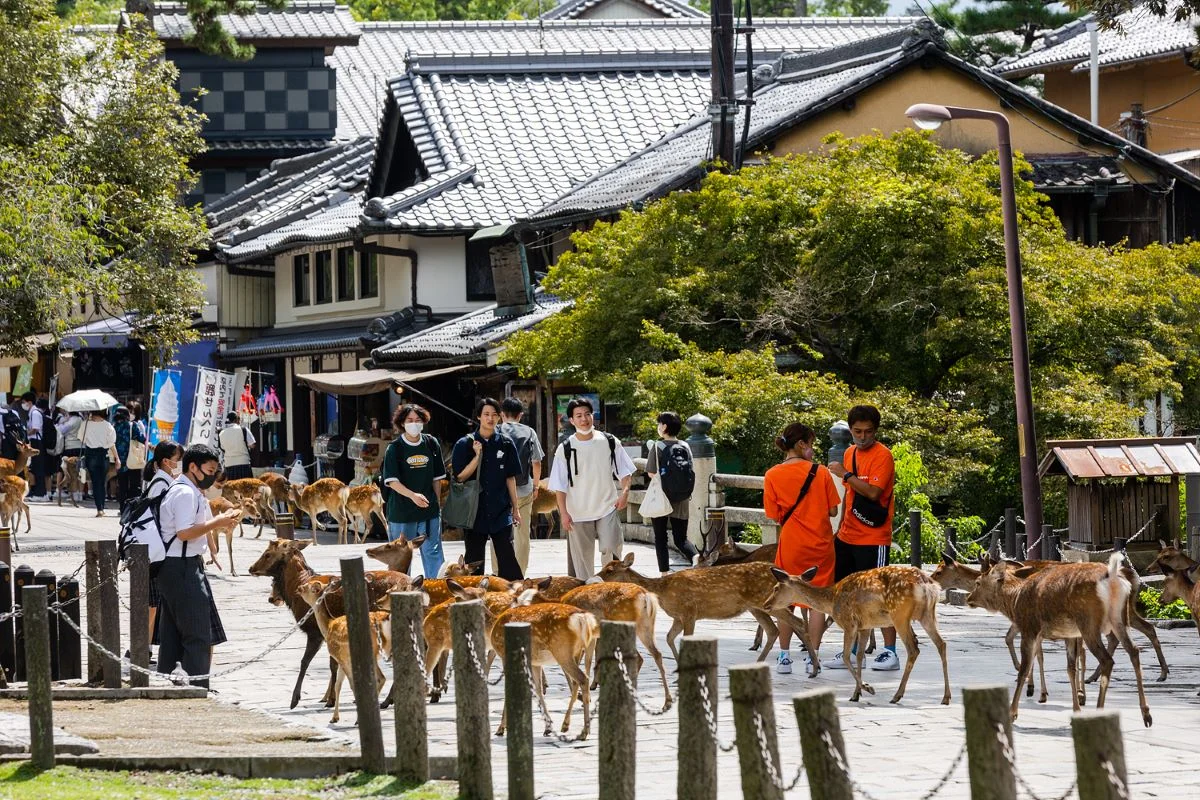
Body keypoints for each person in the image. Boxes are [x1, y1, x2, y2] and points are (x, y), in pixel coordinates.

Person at [155, 444, 241, 688]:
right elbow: (184, 533)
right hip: (181, 567)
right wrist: (218, 522)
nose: (213, 476)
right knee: (198, 632)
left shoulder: (188, 490)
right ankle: (196, 686)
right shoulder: (185, 493)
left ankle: (171, 683)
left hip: (178, 565)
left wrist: (213, 547)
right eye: (210, 470)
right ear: (193, 467)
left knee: (172, 632)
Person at [763, 423, 841, 674]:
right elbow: (833, 510)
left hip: (792, 544)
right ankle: (813, 656)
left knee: (787, 598)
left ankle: (784, 656)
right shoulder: (821, 473)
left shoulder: (772, 474)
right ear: (801, 444)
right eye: (811, 444)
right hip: (820, 544)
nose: (813, 450)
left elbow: (773, 513)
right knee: (818, 601)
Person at [825, 404, 898, 672]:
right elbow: (850, 495)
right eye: (857, 431)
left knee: (878, 594)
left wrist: (844, 473)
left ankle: (890, 651)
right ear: (851, 430)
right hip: (848, 534)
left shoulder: (883, 456)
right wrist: (841, 526)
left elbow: (873, 493)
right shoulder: (849, 452)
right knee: (846, 595)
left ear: (876, 431)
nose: (863, 436)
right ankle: (853, 650)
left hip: (873, 536)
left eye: (868, 432)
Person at [548, 397, 635, 580]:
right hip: (577, 511)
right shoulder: (565, 448)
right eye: (578, 415)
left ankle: (611, 588)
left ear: (593, 415)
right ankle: (587, 593)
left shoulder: (609, 441)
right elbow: (559, 485)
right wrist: (563, 513)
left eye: (587, 414)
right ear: (571, 420)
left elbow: (625, 472)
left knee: (611, 548)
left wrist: (625, 493)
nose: (584, 419)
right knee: (582, 561)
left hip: (607, 506)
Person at [450, 398, 524, 581]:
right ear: (478, 416)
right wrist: (477, 457)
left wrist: (516, 508)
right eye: (486, 414)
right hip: (474, 512)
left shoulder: (506, 444)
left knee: (507, 558)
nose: (490, 419)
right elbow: (460, 477)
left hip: (500, 510)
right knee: (474, 562)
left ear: (500, 417)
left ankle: (514, 596)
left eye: (494, 415)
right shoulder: (464, 444)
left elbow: (510, 477)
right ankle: (473, 601)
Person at [382, 403, 446, 579]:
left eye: (418, 420)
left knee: (433, 553)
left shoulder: (431, 443)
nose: (414, 423)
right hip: (402, 512)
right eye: (409, 420)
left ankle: (435, 591)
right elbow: (392, 482)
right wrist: (413, 496)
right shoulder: (394, 449)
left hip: (429, 511)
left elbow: (437, 478)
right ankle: (400, 594)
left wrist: (436, 504)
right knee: (401, 558)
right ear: (402, 423)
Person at [139, 440, 183, 661]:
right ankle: (141, 647)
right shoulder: (160, 484)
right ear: (166, 461)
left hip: (159, 549)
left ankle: (146, 646)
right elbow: (157, 519)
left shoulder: (165, 481)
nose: (180, 463)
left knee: (157, 603)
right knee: (152, 603)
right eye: (178, 460)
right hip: (155, 550)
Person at [645, 411, 698, 575]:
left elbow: (651, 472)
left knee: (660, 538)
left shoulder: (657, 446)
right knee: (680, 539)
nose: (658, 427)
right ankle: (696, 557)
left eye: (659, 423)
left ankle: (664, 573)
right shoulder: (685, 446)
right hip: (682, 497)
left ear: (664, 426)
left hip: (661, 497)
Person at [497, 397, 544, 575]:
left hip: (499, 491)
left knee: (498, 533)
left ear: (502, 415)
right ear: (521, 415)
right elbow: (537, 462)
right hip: (523, 489)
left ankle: (498, 572)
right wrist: (536, 486)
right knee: (522, 535)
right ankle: (520, 574)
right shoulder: (529, 432)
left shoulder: (495, 430)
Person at [79, 409, 117, 517]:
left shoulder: (86, 424)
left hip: (90, 454)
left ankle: (99, 508)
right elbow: (111, 443)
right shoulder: (108, 425)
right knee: (102, 481)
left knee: (95, 482)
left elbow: (82, 439)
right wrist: (117, 458)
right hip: (103, 455)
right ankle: (102, 507)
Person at [114, 404, 147, 513]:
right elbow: (142, 439)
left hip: (120, 461)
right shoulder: (132, 425)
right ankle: (133, 508)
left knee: (122, 485)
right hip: (133, 459)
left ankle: (122, 509)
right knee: (134, 485)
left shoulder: (114, 427)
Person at [20, 392, 47, 501]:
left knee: (38, 468)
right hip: (35, 441)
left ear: (29, 402)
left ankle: (41, 494)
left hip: (37, 442)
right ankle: (38, 492)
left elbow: (35, 428)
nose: (23, 404)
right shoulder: (33, 412)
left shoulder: (35, 413)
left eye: (24, 402)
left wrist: (25, 434)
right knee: (35, 468)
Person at [217, 412, 256, 480]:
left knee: (232, 489)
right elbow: (252, 445)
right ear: (236, 420)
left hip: (229, 465)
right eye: (239, 418)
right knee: (246, 488)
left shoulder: (221, 433)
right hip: (244, 463)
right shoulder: (243, 429)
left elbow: (222, 448)